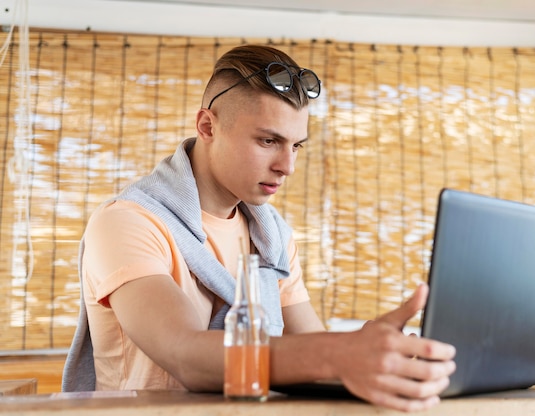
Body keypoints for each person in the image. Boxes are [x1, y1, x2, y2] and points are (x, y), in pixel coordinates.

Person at [62, 44, 456, 412]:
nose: (288, 166)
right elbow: (186, 355)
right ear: (207, 126)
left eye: (296, 146)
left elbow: (307, 351)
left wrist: (373, 351)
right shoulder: (127, 222)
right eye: (269, 140)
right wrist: (340, 353)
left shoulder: (273, 237)